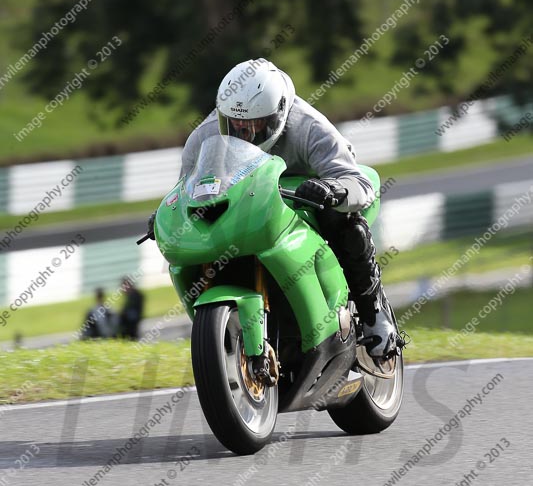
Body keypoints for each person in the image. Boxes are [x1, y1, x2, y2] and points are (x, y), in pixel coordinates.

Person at [148, 58, 397, 358]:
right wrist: (167, 216)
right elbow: (189, 192)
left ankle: (373, 315)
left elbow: (358, 181)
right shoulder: (203, 137)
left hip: (308, 194)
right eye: (234, 126)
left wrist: (333, 190)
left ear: (278, 115)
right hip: (251, 201)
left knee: (344, 222)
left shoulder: (308, 127)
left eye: (254, 126)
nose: (244, 135)